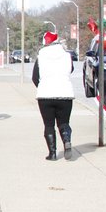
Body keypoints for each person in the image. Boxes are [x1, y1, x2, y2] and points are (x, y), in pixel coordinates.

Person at [32, 31, 74, 160]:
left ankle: (53, 153)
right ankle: (66, 139)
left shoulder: (41, 57)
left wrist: (43, 87)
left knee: (49, 125)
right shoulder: (67, 56)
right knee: (64, 122)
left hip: (45, 95)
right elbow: (71, 70)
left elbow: (35, 77)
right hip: (65, 94)